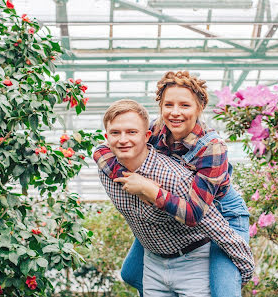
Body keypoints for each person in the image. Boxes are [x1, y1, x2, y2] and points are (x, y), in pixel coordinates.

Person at [94, 71, 251, 297]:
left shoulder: (212, 147)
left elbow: (194, 214)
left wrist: (149, 189)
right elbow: (102, 149)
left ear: (199, 108)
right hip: (172, 208)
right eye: (168, 105)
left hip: (221, 210)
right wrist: (127, 176)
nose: (175, 112)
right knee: (130, 273)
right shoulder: (156, 129)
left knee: (224, 290)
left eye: (185, 105)